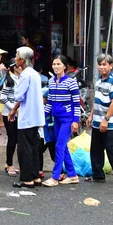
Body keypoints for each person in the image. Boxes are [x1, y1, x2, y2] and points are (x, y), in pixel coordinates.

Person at [87, 54, 113, 185]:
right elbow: (97, 101)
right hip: (97, 121)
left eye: (104, 64)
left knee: (110, 148)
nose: (101, 67)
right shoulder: (98, 81)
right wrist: (91, 115)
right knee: (95, 149)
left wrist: (105, 119)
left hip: (109, 122)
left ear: (111, 66)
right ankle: (98, 175)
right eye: (100, 64)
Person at [8, 46, 45, 188]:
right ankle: (35, 177)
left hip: (27, 118)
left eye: (16, 56)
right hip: (35, 117)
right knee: (34, 148)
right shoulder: (34, 73)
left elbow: (18, 95)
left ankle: (27, 178)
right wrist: (13, 110)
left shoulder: (24, 75)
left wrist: (17, 78)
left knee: (25, 149)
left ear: (22, 60)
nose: (15, 58)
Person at [41, 56, 80, 187]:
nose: (56, 66)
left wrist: (76, 121)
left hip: (67, 119)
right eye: (54, 64)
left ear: (64, 66)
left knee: (59, 146)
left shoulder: (71, 82)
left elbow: (76, 103)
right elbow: (50, 101)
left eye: (59, 64)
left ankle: (55, 177)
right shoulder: (51, 81)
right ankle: (73, 175)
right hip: (56, 119)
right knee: (63, 147)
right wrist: (44, 116)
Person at [0, 61, 22, 176]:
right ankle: (9, 164)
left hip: (20, 114)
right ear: (14, 67)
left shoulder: (22, 78)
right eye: (18, 66)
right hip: (8, 114)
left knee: (18, 139)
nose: (21, 67)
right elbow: (3, 98)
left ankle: (10, 163)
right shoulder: (9, 80)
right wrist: (13, 109)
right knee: (12, 139)